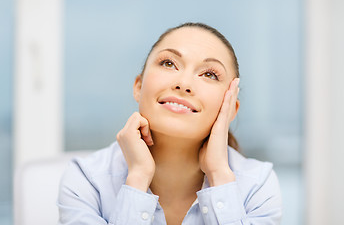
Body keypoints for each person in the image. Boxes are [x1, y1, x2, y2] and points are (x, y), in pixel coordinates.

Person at [57, 22, 282, 225]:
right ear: (138, 86)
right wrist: (137, 177)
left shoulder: (258, 186)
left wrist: (219, 175)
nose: (184, 83)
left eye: (209, 74)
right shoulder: (86, 181)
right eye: (168, 63)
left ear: (231, 108)